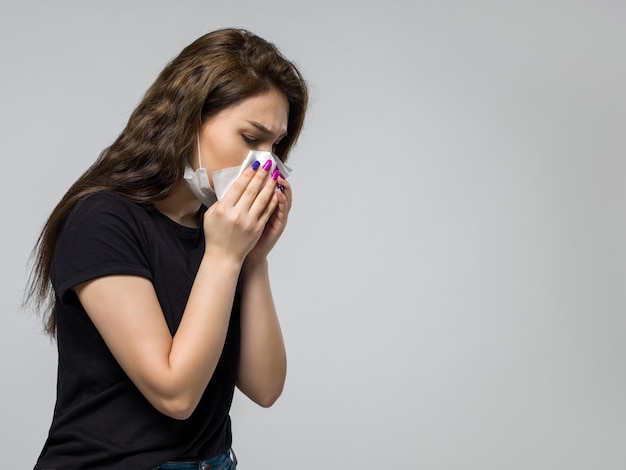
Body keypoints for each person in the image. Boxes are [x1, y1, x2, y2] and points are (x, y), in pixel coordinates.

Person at [26, 28, 308, 469]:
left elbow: (265, 386)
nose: (266, 163)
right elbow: (175, 393)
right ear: (188, 120)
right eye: (251, 139)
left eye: (276, 146)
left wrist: (255, 258)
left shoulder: (217, 230)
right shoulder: (102, 221)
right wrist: (225, 256)